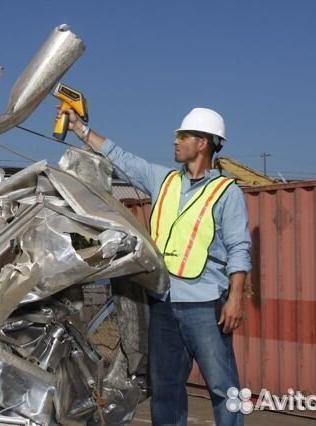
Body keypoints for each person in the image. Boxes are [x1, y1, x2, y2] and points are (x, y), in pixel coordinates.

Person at [62, 106, 251, 425]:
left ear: (203, 143)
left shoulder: (226, 193)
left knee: (222, 388)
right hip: (163, 304)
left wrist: (235, 297)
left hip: (205, 306)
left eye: (183, 136)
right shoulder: (163, 180)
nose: (175, 141)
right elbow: (120, 157)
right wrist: (81, 130)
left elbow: (239, 247)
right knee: (166, 388)